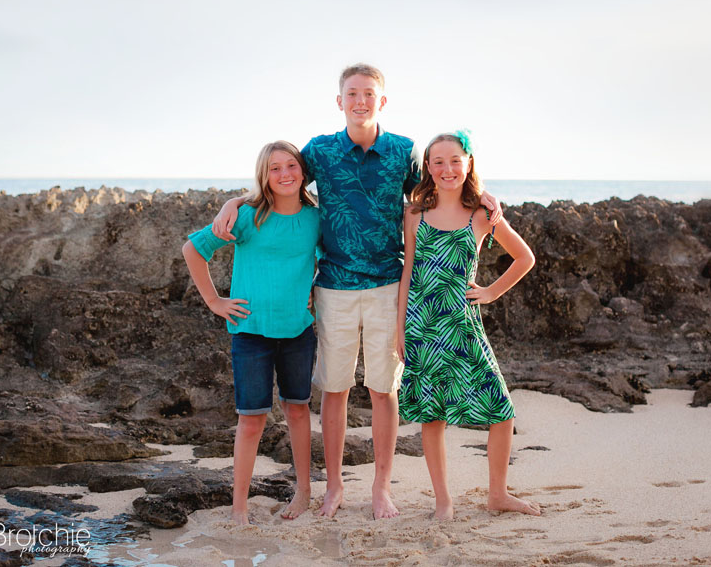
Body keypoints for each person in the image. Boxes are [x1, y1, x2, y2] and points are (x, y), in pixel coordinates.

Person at [212, 64, 503, 519]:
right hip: (333, 287)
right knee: (334, 389)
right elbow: (279, 176)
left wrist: (482, 198)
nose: (360, 101)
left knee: (385, 390)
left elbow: (436, 189)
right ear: (340, 101)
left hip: (389, 284)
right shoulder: (321, 152)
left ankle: (381, 488)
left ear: (381, 101)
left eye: (369, 93)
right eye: (352, 93)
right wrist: (234, 202)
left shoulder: (402, 150)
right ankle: (333, 490)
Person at [396, 130, 540, 520]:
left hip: (463, 326)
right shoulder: (414, 213)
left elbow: (524, 258)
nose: (447, 169)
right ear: (427, 167)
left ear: (469, 163)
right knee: (432, 414)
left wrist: (491, 292)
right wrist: (400, 330)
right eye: (438, 161)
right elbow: (407, 272)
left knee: (502, 411)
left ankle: (498, 494)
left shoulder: (481, 214)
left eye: (455, 160)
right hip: (423, 326)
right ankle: (443, 501)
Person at [182, 140, 320, 525]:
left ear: (303, 171)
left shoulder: (316, 219)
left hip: (298, 332)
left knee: (297, 411)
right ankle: (239, 508)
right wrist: (215, 301)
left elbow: (328, 259)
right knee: (251, 420)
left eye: (291, 166)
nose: (284, 174)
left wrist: (314, 291)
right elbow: (193, 249)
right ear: (264, 175)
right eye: (274, 168)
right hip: (251, 334)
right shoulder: (246, 216)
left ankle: (304, 493)